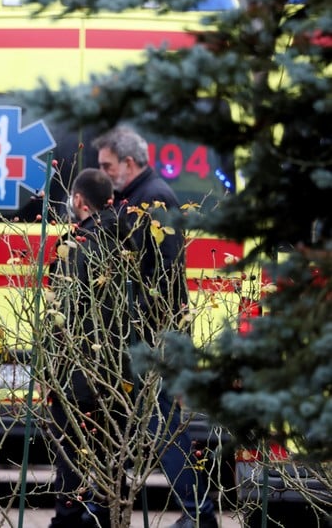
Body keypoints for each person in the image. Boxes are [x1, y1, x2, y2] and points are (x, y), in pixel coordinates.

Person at [93, 126, 218, 528]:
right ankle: (106, 505)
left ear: (129, 163)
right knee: (128, 421)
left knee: (161, 426)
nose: (103, 173)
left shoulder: (154, 198)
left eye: (107, 166)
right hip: (144, 333)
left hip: (155, 335)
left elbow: (164, 273)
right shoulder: (134, 198)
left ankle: (199, 513)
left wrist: (136, 321)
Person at [47, 169, 132, 528]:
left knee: (71, 448)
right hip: (120, 370)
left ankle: (68, 517)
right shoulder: (130, 239)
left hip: (80, 367)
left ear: (80, 202)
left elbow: (63, 314)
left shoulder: (78, 247)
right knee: (112, 450)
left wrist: (51, 368)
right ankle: (110, 515)